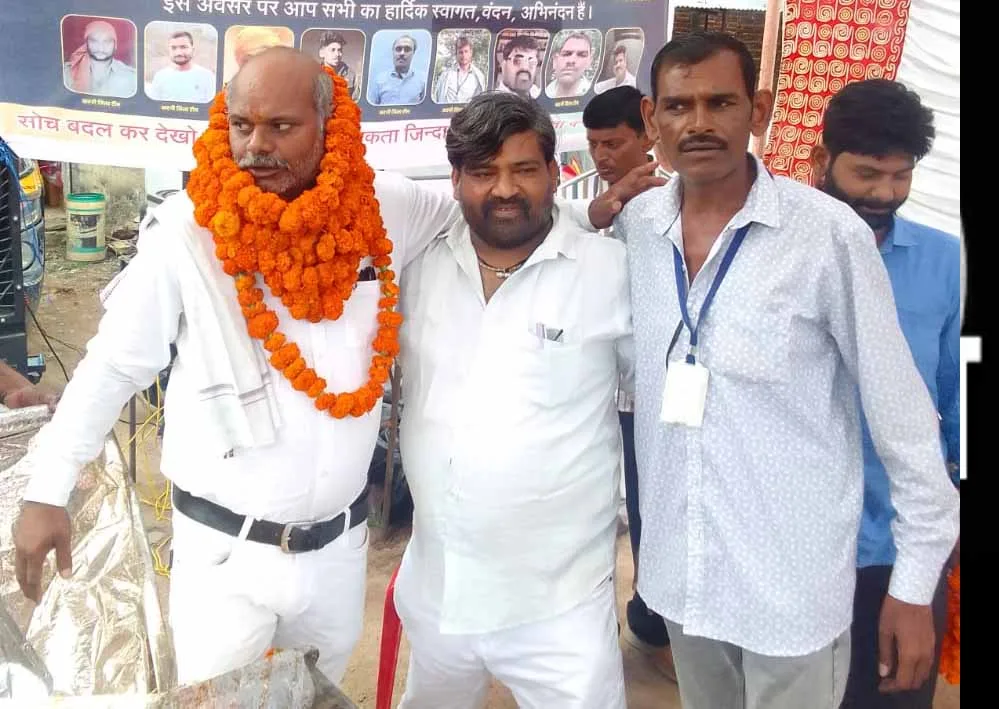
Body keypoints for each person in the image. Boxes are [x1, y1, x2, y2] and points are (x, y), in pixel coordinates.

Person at [11, 47, 468, 686]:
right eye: (242, 126)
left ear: (329, 125)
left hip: (338, 554)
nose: (256, 146)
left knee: (321, 696)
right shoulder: (189, 231)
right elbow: (113, 366)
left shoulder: (381, 210)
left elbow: (486, 219)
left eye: (281, 126)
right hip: (226, 559)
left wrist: (591, 215)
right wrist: (47, 490)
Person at [592, 32, 960, 709]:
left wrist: (913, 586)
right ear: (651, 117)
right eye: (678, 106)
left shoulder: (827, 236)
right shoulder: (637, 227)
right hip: (683, 576)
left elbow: (906, 422)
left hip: (789, 591)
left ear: (757, 110)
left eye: (720, 102)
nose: (698, 123)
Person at [393, 91, 631, 709]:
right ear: (455, 180)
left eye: (524, 169)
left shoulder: (610, 272)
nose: (505, 189)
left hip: (558, 604)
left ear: (554, 172)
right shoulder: (417, 265)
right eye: (483, 172)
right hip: (438, 589)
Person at [810, 79, 961, 709]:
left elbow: (961, 389)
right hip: (798, 544)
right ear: (821, 160)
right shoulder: (779, 255)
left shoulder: (945, 262)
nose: (884, 194)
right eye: (868, 174)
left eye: (901, 176)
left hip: (902, 545)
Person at [582, 84, 677, 680]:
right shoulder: (594, 203)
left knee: (653, 508)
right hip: (598, 387)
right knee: (597, 506)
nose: (602, 156)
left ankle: (655, 621)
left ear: (647, 134)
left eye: (613, 143)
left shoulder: (670, 202)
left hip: (651, 392)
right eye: (593, 144)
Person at [63, 20, 137, 98]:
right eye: (94, 41)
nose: (100, 48)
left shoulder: (131, 77)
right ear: (86, 43)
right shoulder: (67, 73)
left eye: (107, 42)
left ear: (115, 45)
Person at [147, 31, 217, 104]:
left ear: (193, 50)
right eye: (173, 48)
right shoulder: (160, 76)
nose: (178, 52)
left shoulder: (207, 76)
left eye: (183, 47)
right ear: (169, 50)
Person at [370, 34, 426, 106]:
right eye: (398, 49)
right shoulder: (379, 80)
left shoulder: (423, 80)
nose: (402, 53)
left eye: (407, 49)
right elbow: (370, 109)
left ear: (413, 53)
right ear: (393, 52)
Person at [434, 35, 487, 105]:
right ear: (456, 53)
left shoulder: (478, 76)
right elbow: (437, 99)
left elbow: (480, 102)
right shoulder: (446, 75)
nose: (463, 55)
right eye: (460, 52)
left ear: (471, 53)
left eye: (466, 51)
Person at [545, 32, 593, 99]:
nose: (571, 61)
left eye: (581, 55)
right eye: (566, 54)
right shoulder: (542, 93)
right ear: (555, 60)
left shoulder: (596, 97)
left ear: (589, 62)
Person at [493, 35, 542, 100]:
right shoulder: (494, 100)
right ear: (503, 64)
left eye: (532, 62)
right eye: (517, 61)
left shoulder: (539, 95)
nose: (525, 67)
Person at [317, 31, 361, 102]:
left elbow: (356, 101)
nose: (337, 54)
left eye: (340, 50)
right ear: (321, 53)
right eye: (332, 50)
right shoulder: (314, 75)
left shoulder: (350, 75)